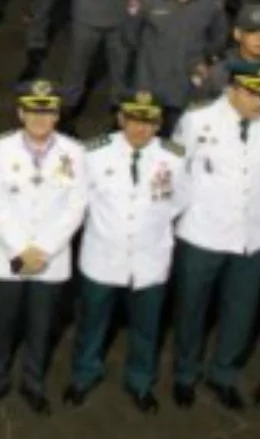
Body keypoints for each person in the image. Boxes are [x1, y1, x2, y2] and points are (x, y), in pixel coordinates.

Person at [64, 91, 189, 414]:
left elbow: (179, 202)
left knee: (146, 329)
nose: (140, 128)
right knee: (92, 323)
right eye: (134, 119)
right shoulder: (93, 153)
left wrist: (149, 227)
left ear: (159, 124)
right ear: (121, 119)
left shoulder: (174, 157)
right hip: (102, 255)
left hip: (149, 257)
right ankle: (83, 375)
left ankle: (140, 382)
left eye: (148, 122)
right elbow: (79, 200)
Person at [171, 59, 260, 410]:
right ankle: (185, 374)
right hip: (203, 231)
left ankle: (224, 374)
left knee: (241, 310)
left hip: (253, 234)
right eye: (253, 94)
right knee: (191, 308)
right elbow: (176, 172)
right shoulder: (197, 119)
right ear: (233, 89)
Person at [0, 80, 88, 415]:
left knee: (41, 327)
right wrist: (19, 248)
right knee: (2, 325)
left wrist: (45, 248)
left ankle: (33, 384)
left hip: (50, 258)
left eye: (48, 111)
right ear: (21, 112)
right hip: (8, 255)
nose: (41, 118)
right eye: (34, 111)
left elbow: (76, 205)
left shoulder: (75, 152)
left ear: (57, 115)